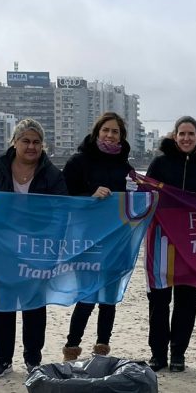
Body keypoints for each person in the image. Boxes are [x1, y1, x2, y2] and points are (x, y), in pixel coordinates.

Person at [0, 118, 68, 377]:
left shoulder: (51, 173)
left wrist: (53, 246)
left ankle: (32, 359)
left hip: (36, 248)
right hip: (0, 248)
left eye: (37, 142)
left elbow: (62, 212)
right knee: (2, 302)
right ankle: (2, 359)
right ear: (14, 142)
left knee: (34, 304)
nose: (31, 146)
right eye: (25, 140)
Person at [144, 115, 196, 371]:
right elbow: (144, 196)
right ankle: (158, 354)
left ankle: (178, 353)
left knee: (186, 300)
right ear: (175, 136)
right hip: (161, 242)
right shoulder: (160, 163)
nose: (186, 138)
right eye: (182, 133)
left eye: (191, 134)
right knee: (159, 300)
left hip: (192, 244)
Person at [61, 112, 134, 361]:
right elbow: (62, 195)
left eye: (115, 132)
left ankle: (102, 348)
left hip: (116, 241)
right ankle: (72, 348)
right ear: (97, 132)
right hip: (86, 240)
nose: (110, 135)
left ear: (121, 137)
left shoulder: (126, 168)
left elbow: (136, 201)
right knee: (87, 296)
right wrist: (89, 195)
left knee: (109, 299)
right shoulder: (79, 161)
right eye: (106, 130)